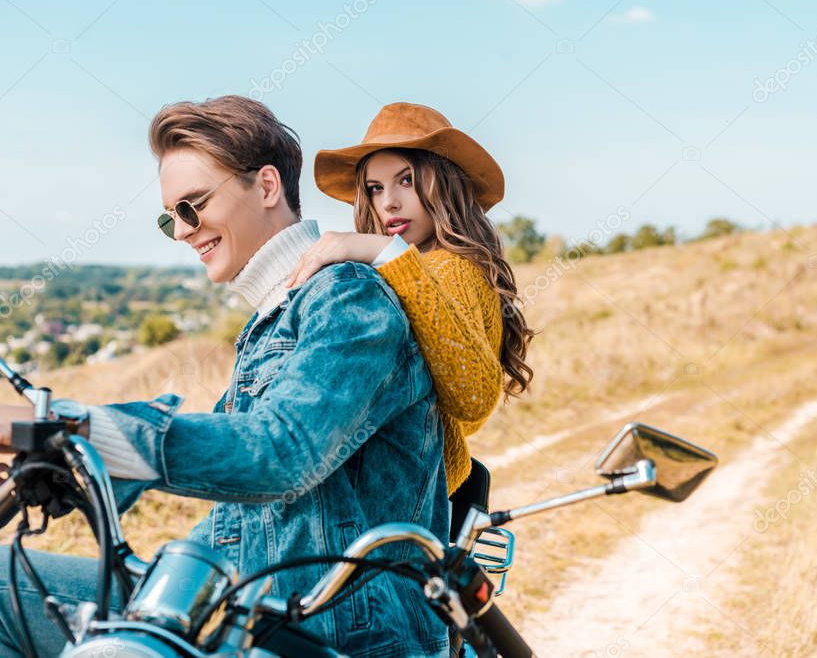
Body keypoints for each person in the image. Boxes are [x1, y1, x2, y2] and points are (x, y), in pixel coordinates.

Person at [0, 96, 449, 657]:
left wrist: (69, 426)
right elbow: (225, 454)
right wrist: (59, 465)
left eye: (193, 206)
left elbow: (279, 452)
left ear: (265, 187)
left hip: (330, 632)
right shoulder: (270, 321)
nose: (184, 231)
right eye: (171, 218)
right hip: (236, 606)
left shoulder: (347, 299)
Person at [286, 102, 534, 493]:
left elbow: (472, 396)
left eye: (406, 181)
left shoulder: (448, 268)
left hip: (406, 499)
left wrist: (387, 253)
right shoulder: (427, 268)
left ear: (444, 183)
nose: (389, 203)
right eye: (375, 188)